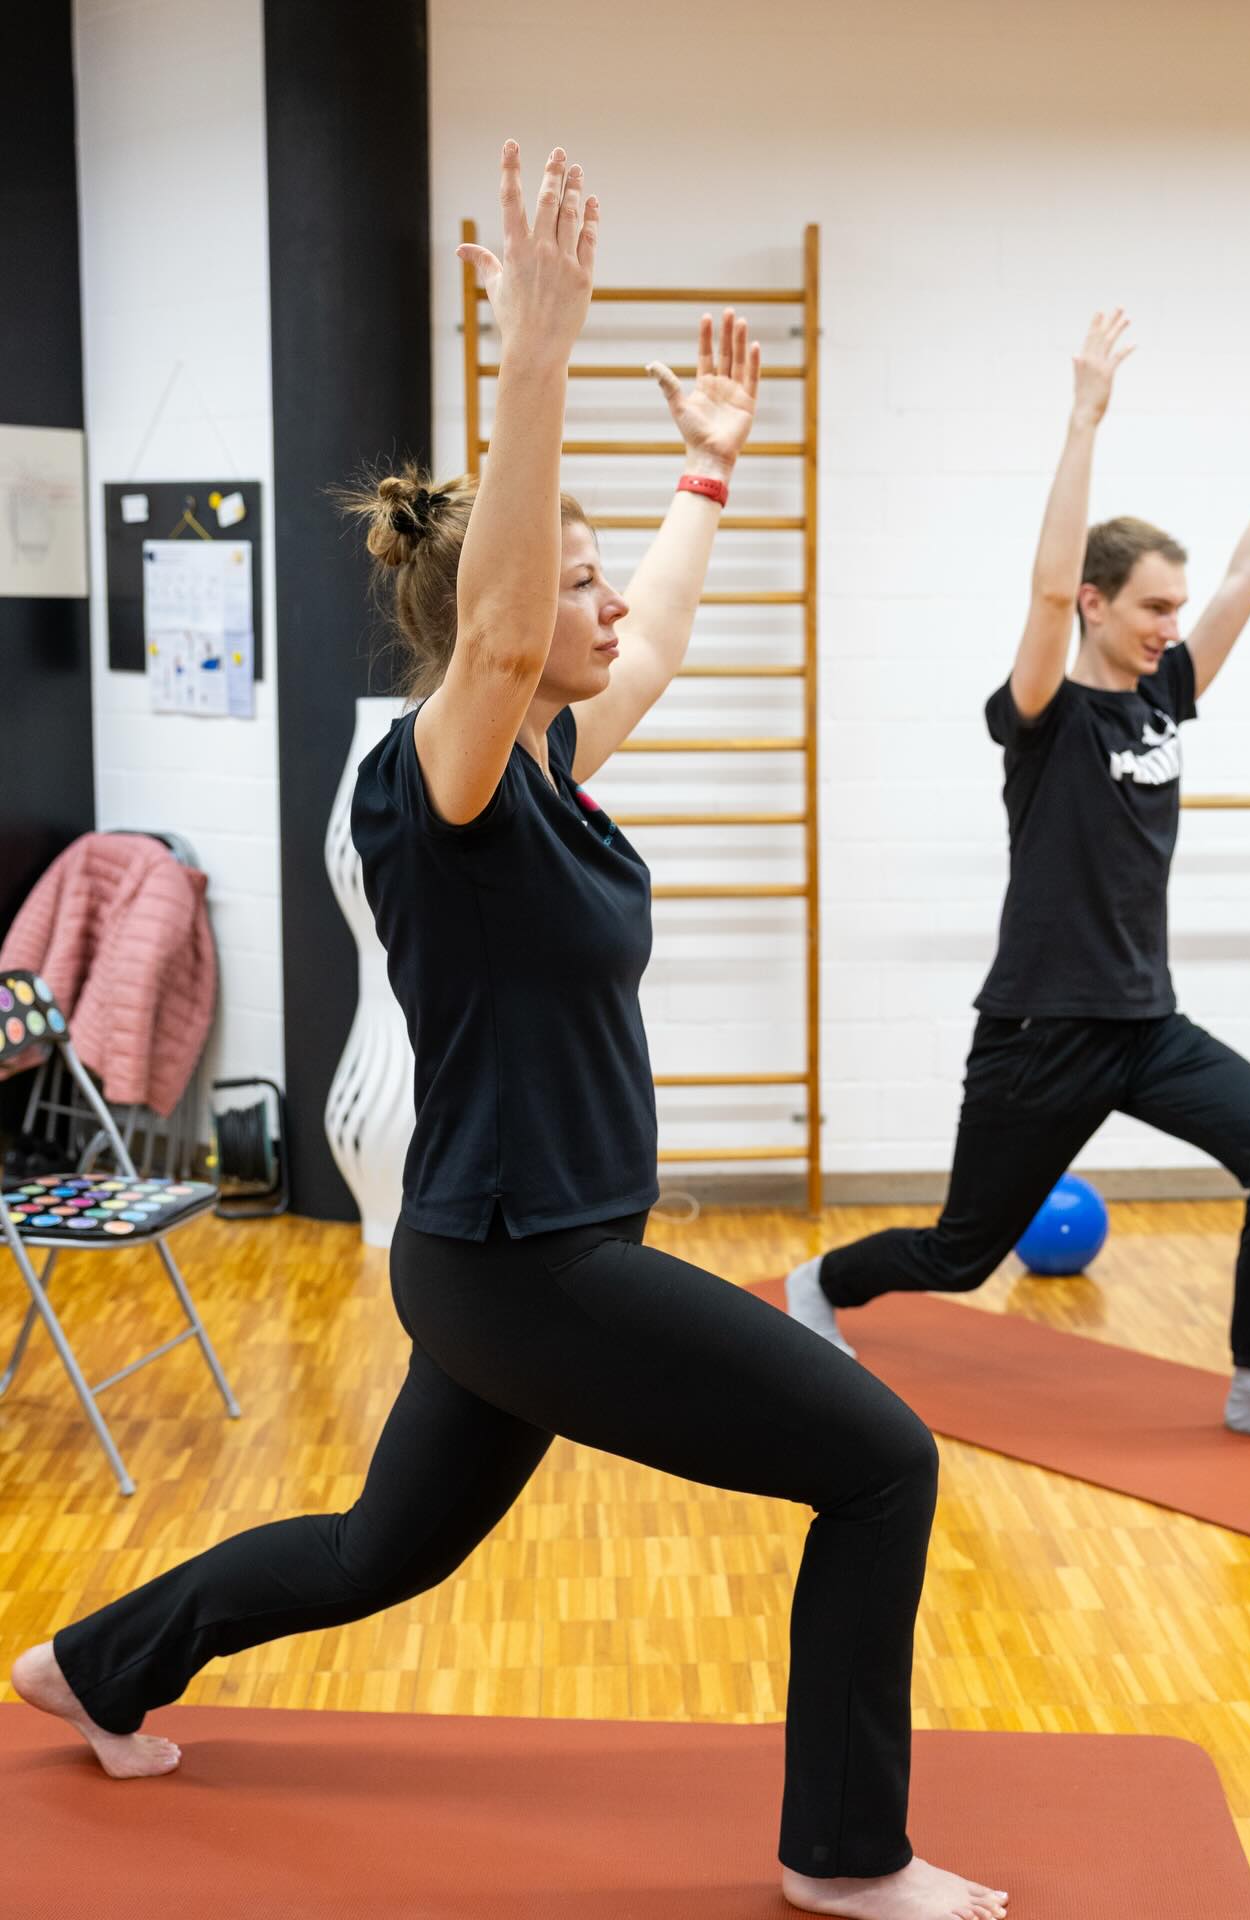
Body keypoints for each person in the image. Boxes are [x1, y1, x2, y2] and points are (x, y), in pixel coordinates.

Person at [12, 145, 1008, 1920]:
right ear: (504, 614)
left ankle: (92, 1664)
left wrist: (710, 466)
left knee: (376, 1552)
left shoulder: (546, 757)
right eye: (579, 583)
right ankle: (845, 1857)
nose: (608, 607)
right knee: (882, 1465)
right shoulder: (443, 776)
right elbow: (493, 633)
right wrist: (538, 348)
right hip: (528, 1263)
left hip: (505, 1256)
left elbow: (661, 635)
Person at [788, 310, 1250, 1463]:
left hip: (1147, 1025)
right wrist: (1084, 419)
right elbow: (1046, 595)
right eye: (1153, 606)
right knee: (961, 1254)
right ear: (1100, 603)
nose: (1171, 626)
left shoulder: (1166, 696)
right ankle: (821, 1285)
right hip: (1041, 1032)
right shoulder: (1045, 715)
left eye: (1175, 609)